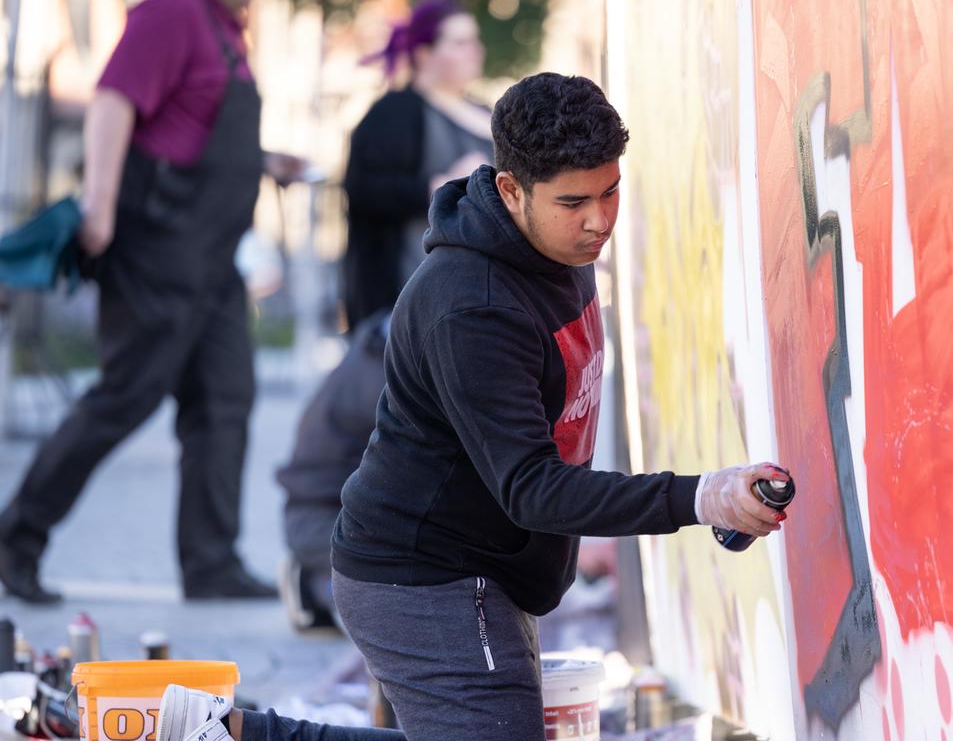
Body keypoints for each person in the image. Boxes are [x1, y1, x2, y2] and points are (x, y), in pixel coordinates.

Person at [155, 73, 789, 740]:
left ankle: (225, 733)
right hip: (424, 578)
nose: (599, 219)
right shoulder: (473, 305)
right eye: (574, 201)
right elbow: (532, 489)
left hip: (479, 564)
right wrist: (700, 497)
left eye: (610, 191)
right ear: (511, 190)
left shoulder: (555, 242)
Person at [0, 0, 306, 603]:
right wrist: (98, 205)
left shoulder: (225, 28)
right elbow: (111, 104)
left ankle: (210, 562)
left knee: (225, 400)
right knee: (127, 395)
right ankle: (14, 535)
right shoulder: (170, 14)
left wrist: (263, 162)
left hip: (212, 261)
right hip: (156, 248)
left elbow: (188, 125)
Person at [342, 0, 494, 329]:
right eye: (460, 42)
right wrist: (438, 188)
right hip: (411, 299)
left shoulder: (486, 113)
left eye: (474, 41)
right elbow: (362, 190)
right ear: (424, 55)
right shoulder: (395, 112)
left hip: (479, 295)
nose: (475, 51)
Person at [274, 311, 389, 630]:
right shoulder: (391, 365)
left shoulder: (389, 338)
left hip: (342, 514)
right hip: (323, 520)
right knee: (397, 604)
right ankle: (310, 584)